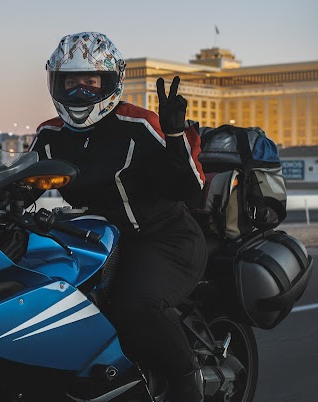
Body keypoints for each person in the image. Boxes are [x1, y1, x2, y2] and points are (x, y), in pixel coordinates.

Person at [30, 32, 207, 402]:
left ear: (109, 83)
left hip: (162, 238)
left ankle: (188, 382)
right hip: (95, 242)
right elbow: (20, 182)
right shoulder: (50, 134)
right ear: (56, 83)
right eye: (70, 81)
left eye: (90, 81)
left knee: (134, 307)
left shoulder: (138, 125)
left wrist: (175, 134)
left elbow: (187, 187)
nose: (80, 91)